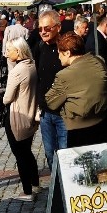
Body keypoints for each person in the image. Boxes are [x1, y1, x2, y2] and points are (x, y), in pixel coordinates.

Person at [45, 32, 107, 148]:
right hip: (103, 124)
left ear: (67, 53)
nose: (58, 57)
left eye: (59, 53)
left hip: (79, 130)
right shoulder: (98, 62)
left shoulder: (65, 75)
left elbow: (51, 102)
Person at [3, 37, 40, 200]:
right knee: (27, 151)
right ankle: (35, 182)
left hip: (18, 116)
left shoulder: (17, 71)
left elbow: (7, 98)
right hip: (31, 114)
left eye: (9, 50)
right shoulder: (31, 65)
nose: (6, 53)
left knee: (20, 154)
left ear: (17, 52)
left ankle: (27, 191)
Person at [34, 9, 67, 171]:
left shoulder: (67, 49)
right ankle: (56, 189)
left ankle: (65, 191)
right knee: (49, 153)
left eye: (47, 28)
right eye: (40, 29)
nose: (43, 32)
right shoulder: (40, 47)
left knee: (66, 153)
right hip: (46, 112)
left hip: (64, 113)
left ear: (58, 27)